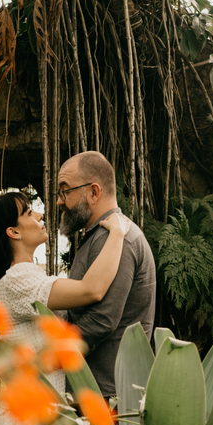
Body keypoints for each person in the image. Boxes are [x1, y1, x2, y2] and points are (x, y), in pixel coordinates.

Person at [0, 190, 130, 390]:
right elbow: (91, 290)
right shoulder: (17, 279)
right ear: (14, 232)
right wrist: (117, 232)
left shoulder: (20, 277)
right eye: (29, 213)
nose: (40, 215)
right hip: (33, 406)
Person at [56, 151, 156, 397]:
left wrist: (50, 356)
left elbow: (103, 320)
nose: (59, 201)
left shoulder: (114, 240)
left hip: (110, 397)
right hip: (100, 392)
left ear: (93, 192)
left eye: (65, 191)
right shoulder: (101, 236)